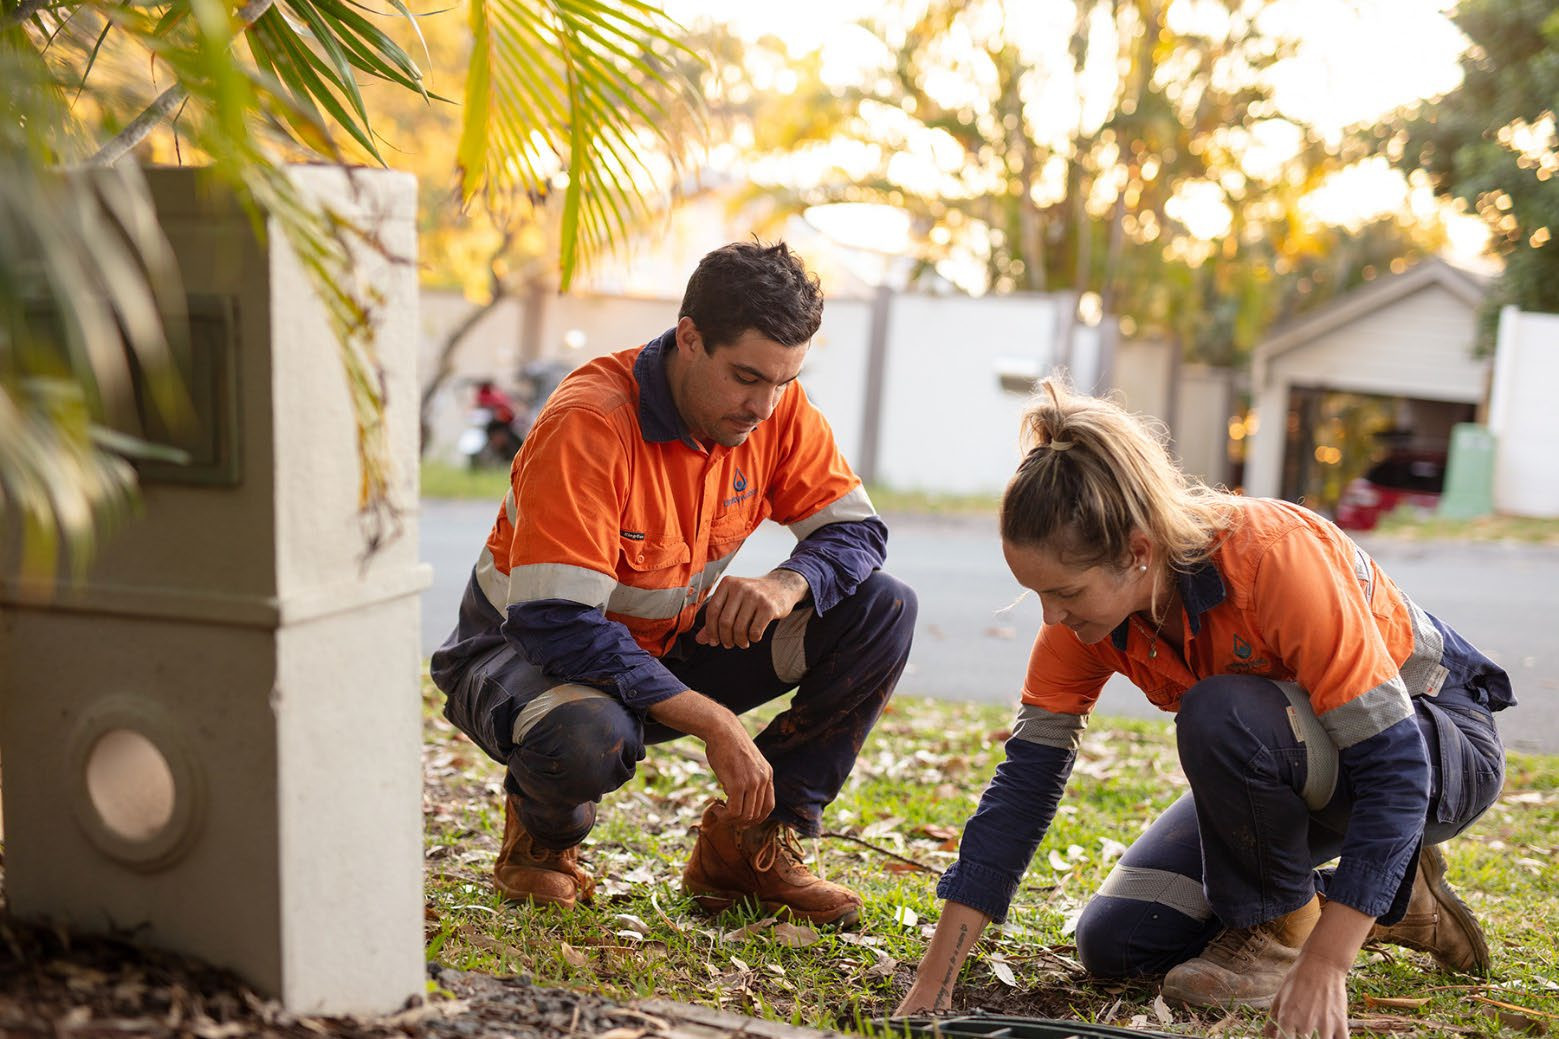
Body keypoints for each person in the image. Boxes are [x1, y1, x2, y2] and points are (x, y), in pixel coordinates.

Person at [896, 379, 1509, 1038]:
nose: (1051, 615)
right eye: (1037, 592)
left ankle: (1288, 934)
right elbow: (1021, 788)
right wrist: (934, 983)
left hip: (1436, 746)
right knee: (1121, 941)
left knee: (1222, 714)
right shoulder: (1083, 621)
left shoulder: (1271, 558)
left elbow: (1396, 768)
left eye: (1064, 590)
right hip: (1302, 760)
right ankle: (1396, 902)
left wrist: (1326, 964)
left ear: (1136, 551)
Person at [431, 241, 917, 926]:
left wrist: (786, 581)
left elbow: (858, 534)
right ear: (688, 337)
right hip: (523, 657)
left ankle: (748, 844)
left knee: (882, 606)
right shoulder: (591, 420)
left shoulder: (776, 407)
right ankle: (542, 840)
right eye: (746, 376)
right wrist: (714, 720)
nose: (763, 404)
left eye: (782, 380)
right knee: (585, 729)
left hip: (666, 651)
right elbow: (557, 624)